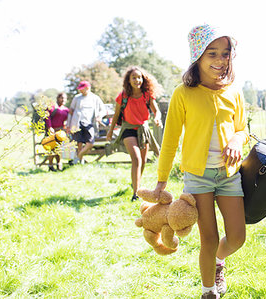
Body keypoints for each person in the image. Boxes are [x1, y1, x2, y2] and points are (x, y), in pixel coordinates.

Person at [153, 24, 249, 299]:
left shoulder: (234, 91)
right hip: (198, 176)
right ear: (198, 56)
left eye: (225, 54)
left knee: (237, 237)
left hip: (229, 174)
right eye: (213, 53)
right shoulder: (183, 93)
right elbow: (170, 139)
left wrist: (235, 141)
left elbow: (242, 129)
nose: (220, 60)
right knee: (207, 236)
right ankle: (209, 291)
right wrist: (161, 180)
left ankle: (219, 261)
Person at [106, 66, 162, 201]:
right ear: (129, 80)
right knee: (136, 158)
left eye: (139, 77)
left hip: (143, 129)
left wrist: (157, 118)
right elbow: (116, 115)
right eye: (134, 77)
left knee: (142, 161)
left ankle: (136, 182)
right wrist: (110, 130)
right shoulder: (123, 96)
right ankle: (136, 193)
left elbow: (157, 111)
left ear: (143, 79)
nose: (137, 80)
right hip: (128, 129)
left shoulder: (147, 95)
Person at [67, 80, 106, 164]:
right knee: (79, 143)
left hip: (89, 124)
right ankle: (80, 162)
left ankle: (77, 157)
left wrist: (100, 116)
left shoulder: (95, 98)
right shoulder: (77, 98)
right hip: (77, 123)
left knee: (90, 143)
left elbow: (103, 109)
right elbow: (71, 111)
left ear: (87, 88)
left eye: (82, 89)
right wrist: (68, 125)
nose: (80, 90)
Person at [44, 92, 69, 171]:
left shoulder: (66, 109)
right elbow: (47, 117)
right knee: (52, 148)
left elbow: (68, 119)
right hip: (52, 130)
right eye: (61, 97)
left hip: (60, 131)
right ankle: (50, 166)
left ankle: (59, 165)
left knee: (59, 149)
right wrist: (49, 127)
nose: (63, 99)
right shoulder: (52, 107)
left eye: (65, 98)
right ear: (58, 98)